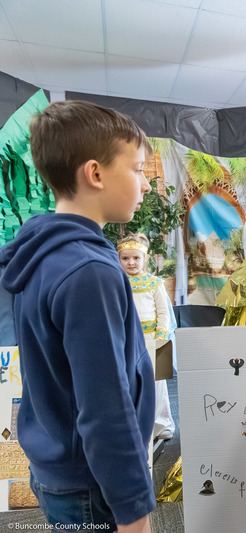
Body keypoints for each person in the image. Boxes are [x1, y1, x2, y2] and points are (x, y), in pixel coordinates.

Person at [0, 100, 155, 533]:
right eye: (138, 169)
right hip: (92, 485)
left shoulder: (45, 255)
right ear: (96, 174)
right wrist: (134, 512)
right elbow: (105, 407)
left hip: (61, 470)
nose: (145, 184)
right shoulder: (89, 272)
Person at [117, 233, 176, 441]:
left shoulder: (155, 283)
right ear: (119, 259)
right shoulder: (117, 283)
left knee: (157, 385)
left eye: (136, 258)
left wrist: (161, 338)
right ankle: (136, 426)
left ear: (145, 259)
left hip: (153, 340)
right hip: (128, 340)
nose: (131, 262)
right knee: (130, 383)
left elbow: (164, 313)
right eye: (125, 258)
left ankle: (162, 424)